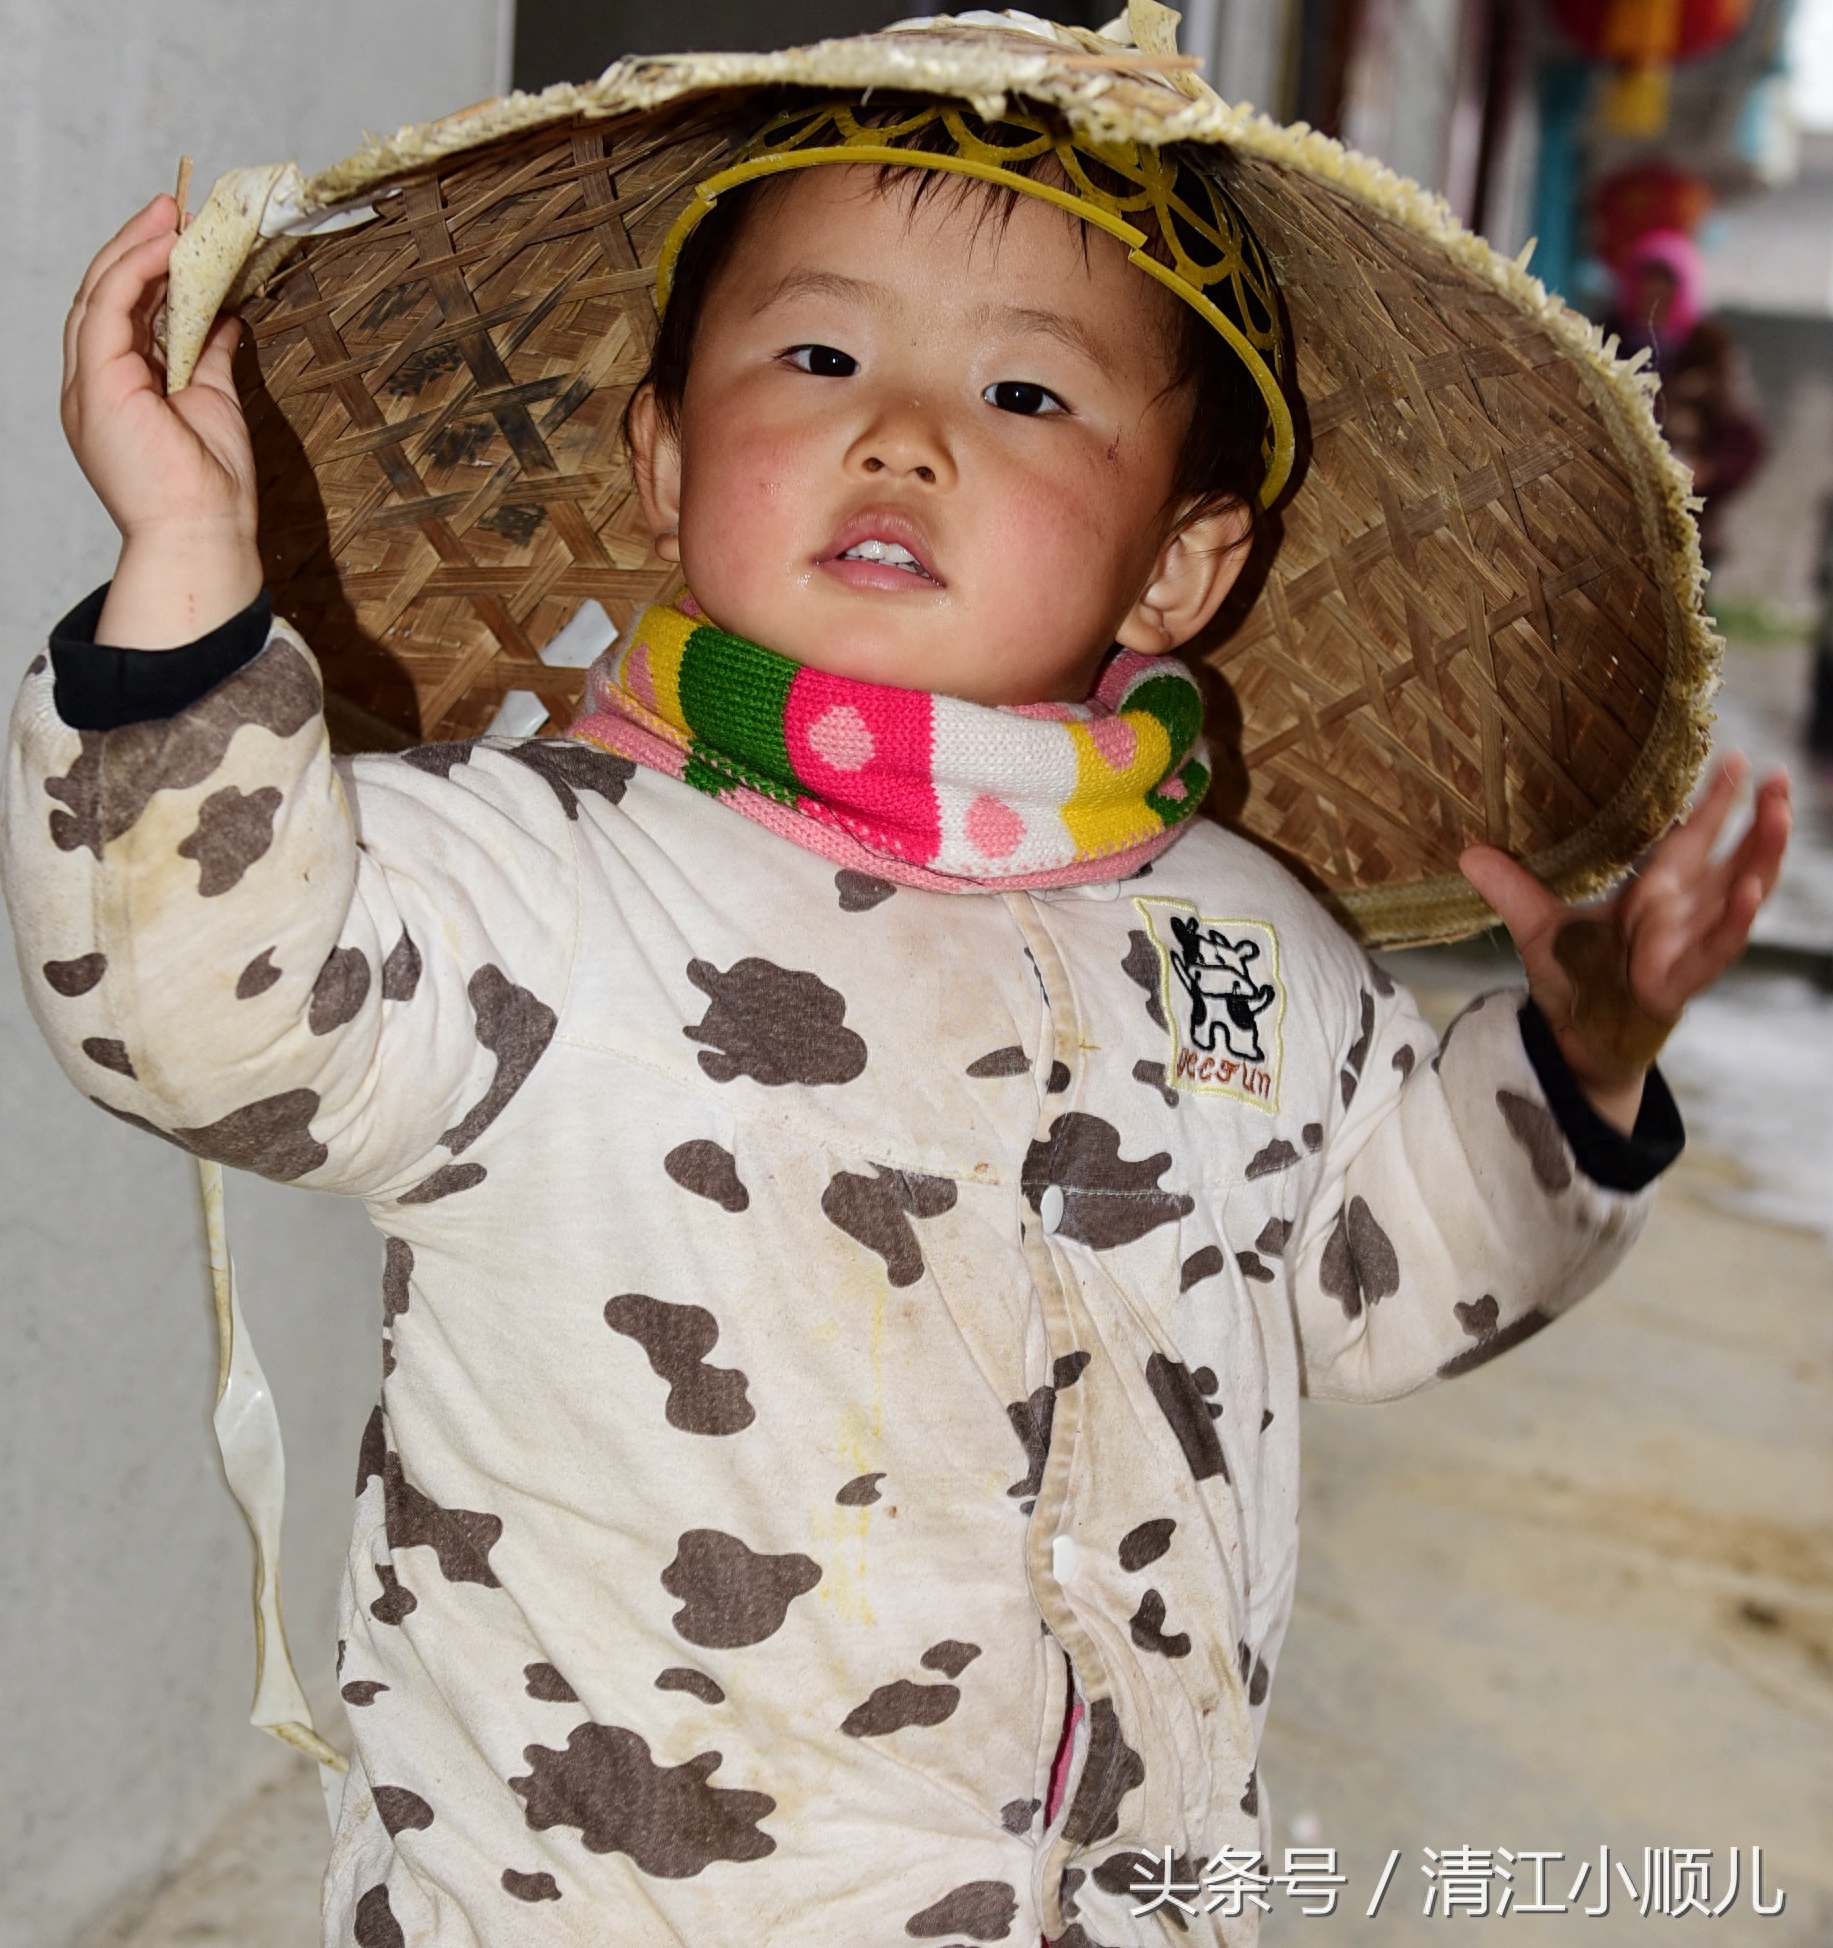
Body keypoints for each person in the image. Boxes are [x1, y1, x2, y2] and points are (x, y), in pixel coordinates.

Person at [6, 52, 1791, 1948]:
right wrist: (187, 597)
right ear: (667, 458)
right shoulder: (540, 872)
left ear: (1180, 559)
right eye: (817, 361)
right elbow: (206, 1010)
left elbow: (1382, 1275)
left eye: (1025, 390)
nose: (907, 434)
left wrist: (1570, 1072)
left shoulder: (1237, 940)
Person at [1609, 228, 1766, 568]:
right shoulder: (1603, 340)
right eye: (1646, 282)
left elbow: (1747, 441)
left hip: (1684, 528)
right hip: (1606, 513)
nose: (1654, 294)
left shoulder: (1711, 353)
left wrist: (1706, 471)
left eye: (1667, 285)